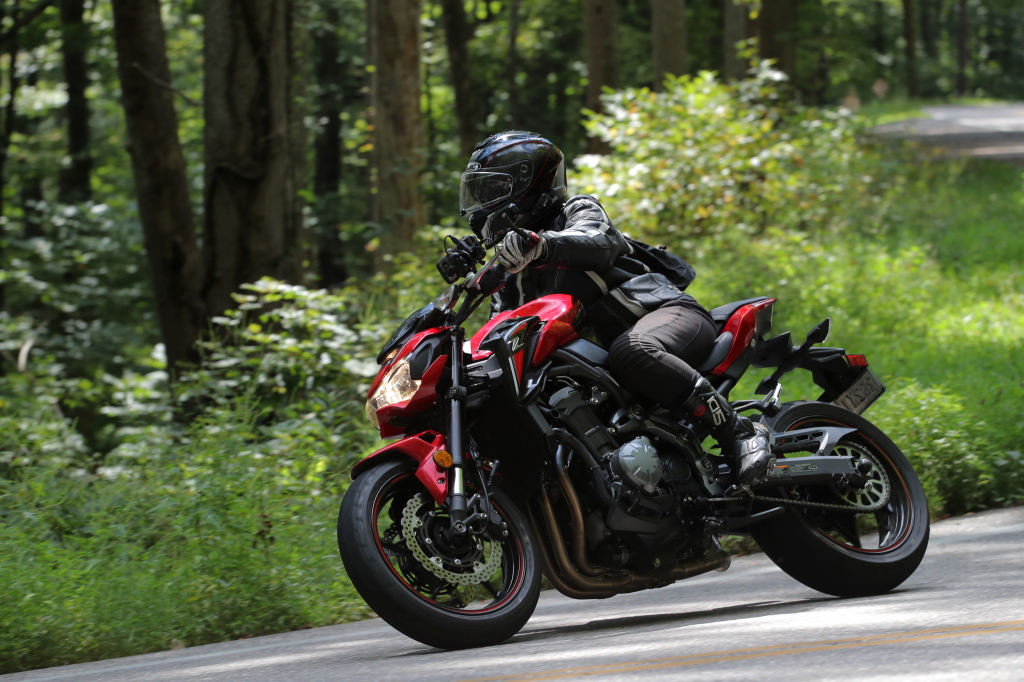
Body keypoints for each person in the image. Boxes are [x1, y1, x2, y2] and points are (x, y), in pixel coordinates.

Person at [461, 131, 773, 490]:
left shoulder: (575, 210)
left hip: (665, 315)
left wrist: (542, 245)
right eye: (480, 194)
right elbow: (496, 335)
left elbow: (598, 241)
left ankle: (741, 432)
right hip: (599, 364)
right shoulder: (511, 272)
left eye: (492, 191)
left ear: (527, 182)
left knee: (632, 350)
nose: (483, 204)